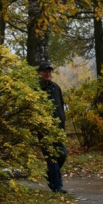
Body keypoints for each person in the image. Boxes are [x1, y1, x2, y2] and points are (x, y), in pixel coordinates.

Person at [37, 60, 68, 194]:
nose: (48, 73)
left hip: (58, 129)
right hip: (45, 129)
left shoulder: (56, 87)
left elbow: (61, 104)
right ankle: (58, 187)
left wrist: (62, 121)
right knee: (52, 158)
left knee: (62, 154)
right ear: (39, 73)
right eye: (45, 71)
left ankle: (50, 175)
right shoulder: (37, 89)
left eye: (49, 71)